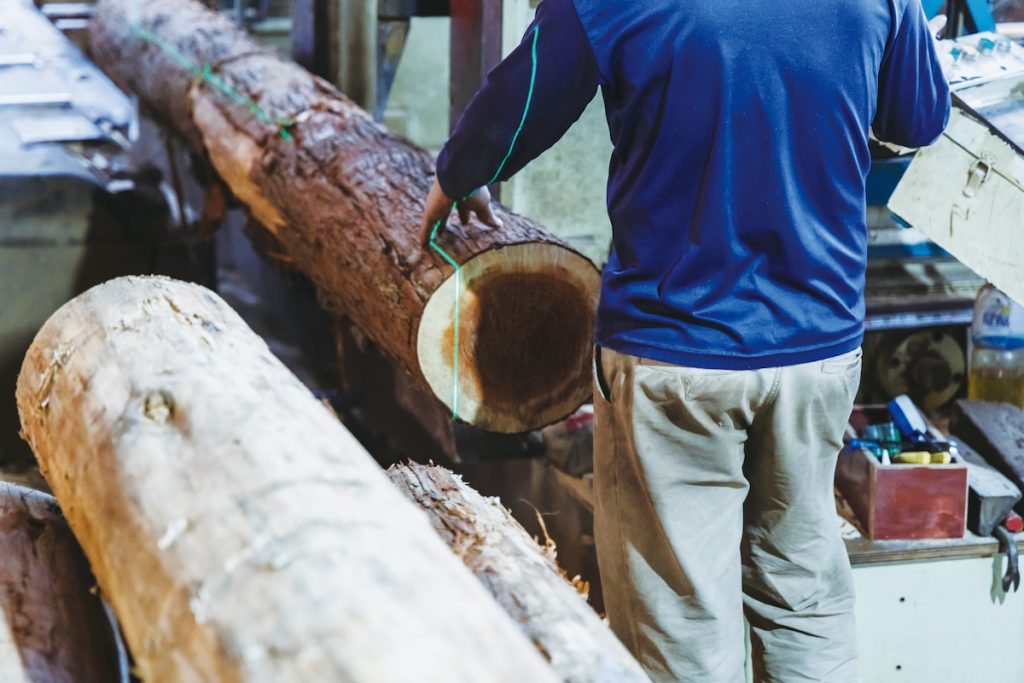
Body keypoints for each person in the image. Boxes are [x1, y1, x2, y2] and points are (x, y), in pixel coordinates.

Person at [420, 1, 950, 680]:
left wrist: (456, 172)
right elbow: (919, 119)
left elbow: (527, 96)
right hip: (816, 349)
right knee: (803, 595)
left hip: (674, 353)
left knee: (682, 620)